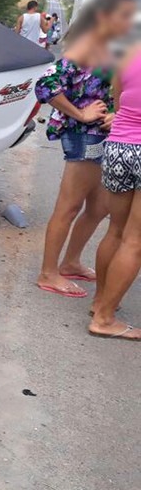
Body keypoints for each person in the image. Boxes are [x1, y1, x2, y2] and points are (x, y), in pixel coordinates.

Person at [33, 0, 136, 298]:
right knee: (69, 205)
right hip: (83, 135)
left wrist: (113, 114)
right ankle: (49, 272)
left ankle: (71, 262)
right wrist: (82, 113)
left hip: (102, 135)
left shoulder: (111, 47)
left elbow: (116, 92)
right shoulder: (88, 46)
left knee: (100, 207)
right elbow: (46, 84)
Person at [92, 43, 141, 340]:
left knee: (115, 231)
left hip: (119, 148)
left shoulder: (132, 53)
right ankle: (104, 318)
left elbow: (119, 103)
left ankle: (100, 301)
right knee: (135, 242)